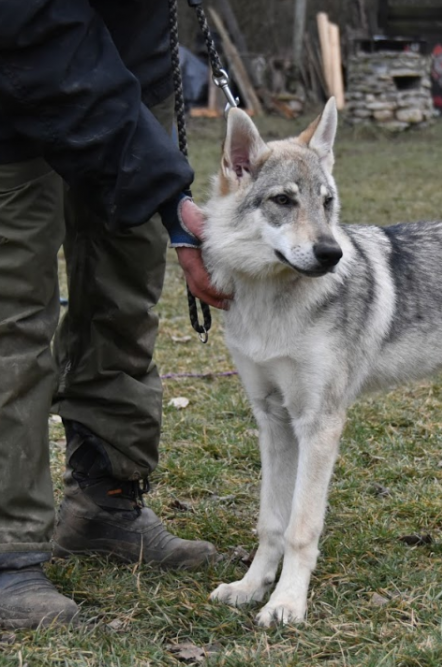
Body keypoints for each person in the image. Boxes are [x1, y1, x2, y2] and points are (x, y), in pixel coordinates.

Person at [0, 0, 230, 629]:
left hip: (133, 73)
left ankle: (105, 503)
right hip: (14, 75)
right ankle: (7, 555)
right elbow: (37, 29)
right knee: (11, 316)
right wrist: (163, 188)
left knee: (123, 292)